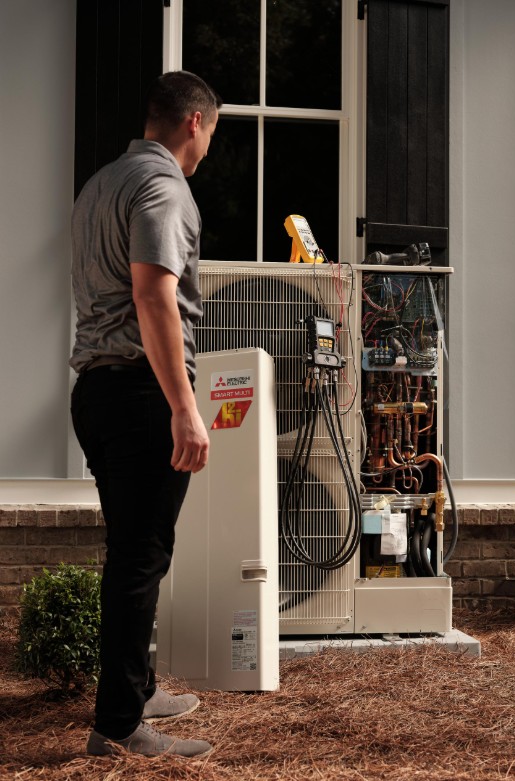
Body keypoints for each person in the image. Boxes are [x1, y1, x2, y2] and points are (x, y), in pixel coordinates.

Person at [69, 71, 221, 757]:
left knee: (134, 552)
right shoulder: (164, 187)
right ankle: (120, 725)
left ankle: (136, 684)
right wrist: (183, 408)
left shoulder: (101, 184)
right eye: (212, 132)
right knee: (141, 556)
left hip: (97, 393)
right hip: (141, 394)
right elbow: (154, 293)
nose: (208, 144)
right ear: (195, 123)